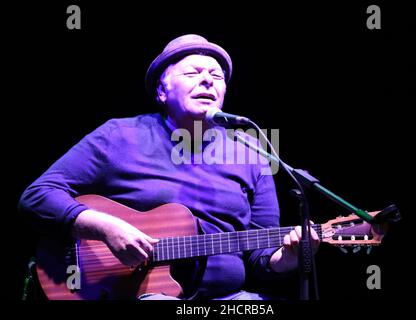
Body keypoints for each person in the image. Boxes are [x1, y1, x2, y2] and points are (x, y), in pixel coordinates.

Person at [19, 34, 320, 300]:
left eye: (217, 76)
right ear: (162, 92)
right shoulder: (119, 136)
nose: (207, 80)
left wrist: (290, 256)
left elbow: (261, 258)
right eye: (193, 72)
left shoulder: (251, 152)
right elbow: (37, 196)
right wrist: (105, 227)